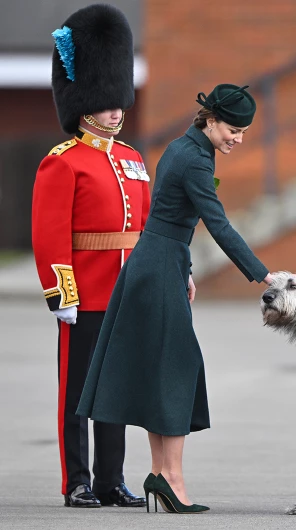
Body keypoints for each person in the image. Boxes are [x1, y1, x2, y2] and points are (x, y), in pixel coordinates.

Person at [76, 84, 273, 514]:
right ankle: (172, 478)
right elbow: (218, 224)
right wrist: (262, 274)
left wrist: (182, 269)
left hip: (159, 262)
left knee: (159, 369)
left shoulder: (183, 148)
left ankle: (161, 474)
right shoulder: (195, 160)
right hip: (159, 265)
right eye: (234, 130)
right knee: (176, 370)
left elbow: (168, 216)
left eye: (243, 132)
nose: (238, 138)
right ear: (212, 120)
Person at [31, 4, 148, 508]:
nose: (116, 111)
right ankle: (76, 480)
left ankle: (110, 479)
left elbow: (144, 231)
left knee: (115, 392)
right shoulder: (62, 163)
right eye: (105, 104)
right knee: (78, 393)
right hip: (85, 292)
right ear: (84, 104)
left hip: (124, 292)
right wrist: (62, 293)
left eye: (118, 101)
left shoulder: (133, 160)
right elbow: (49, 233)